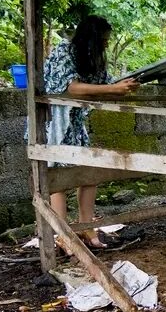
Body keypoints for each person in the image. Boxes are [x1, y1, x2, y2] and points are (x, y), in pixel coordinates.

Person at [43, 15, 140, 249]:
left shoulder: (93, 58)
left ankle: (87, 227)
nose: (107, 45)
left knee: (88, 174)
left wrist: (123, 86)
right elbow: (71, 87)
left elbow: (105, 85)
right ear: (92, 39)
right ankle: (64, 235)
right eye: (104, 41)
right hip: (55, 121)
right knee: (59, 178)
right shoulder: (64, 51)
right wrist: (114, 88)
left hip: (76, 122)